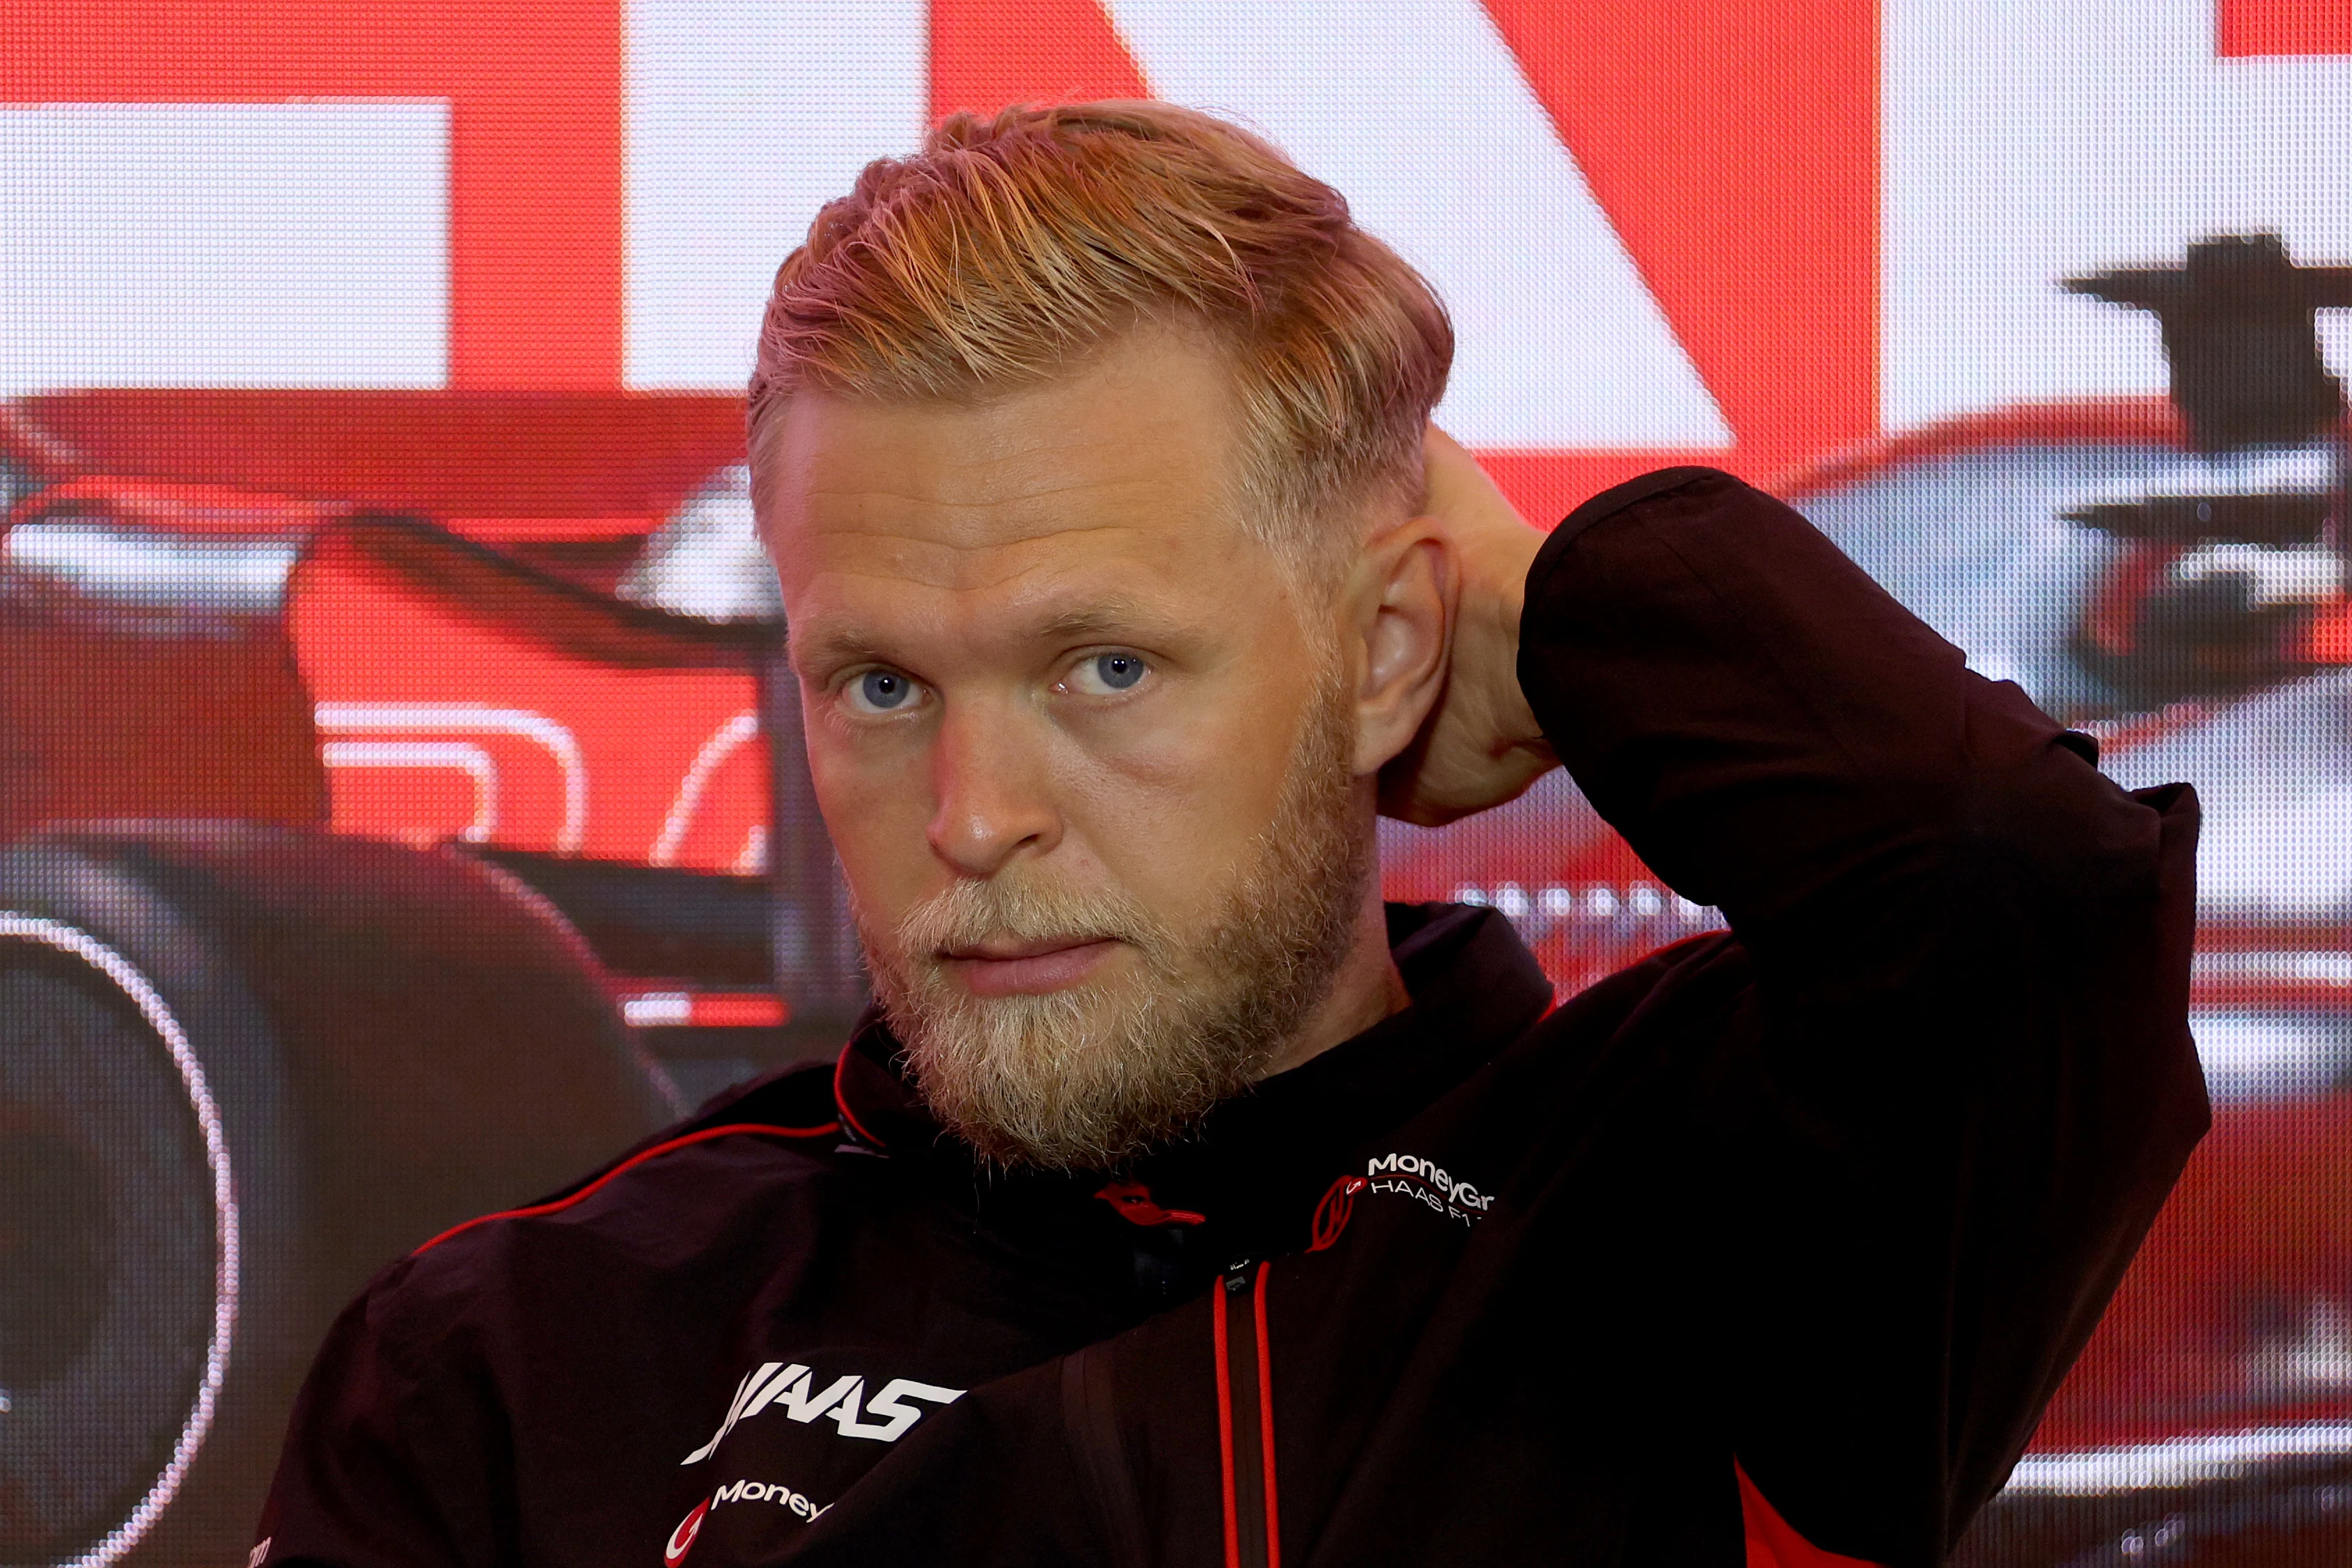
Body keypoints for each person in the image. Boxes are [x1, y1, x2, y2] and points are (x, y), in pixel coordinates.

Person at [254, 102, 2206, 1568]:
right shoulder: (519, 1341)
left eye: (1104, 666)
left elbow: (2024, 888)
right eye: (880, 685)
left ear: (1381, 653)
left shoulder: (1688, 1191)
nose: (976, 819)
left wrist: (1539, 602)